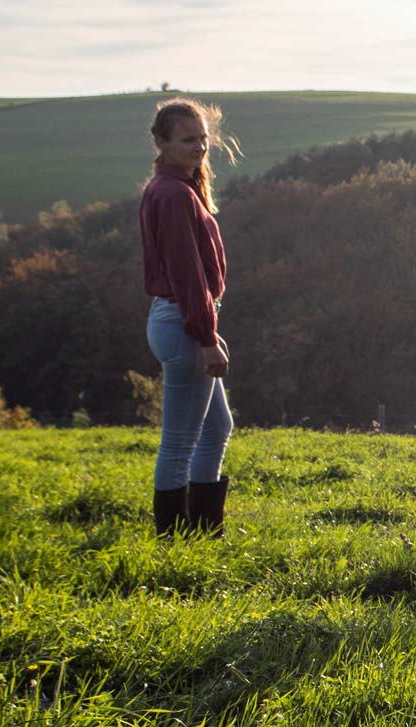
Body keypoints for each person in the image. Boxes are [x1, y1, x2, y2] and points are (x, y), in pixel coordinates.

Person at [142, 98, 238, 537]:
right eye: (188, 139)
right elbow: (187, 273)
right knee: (180, 440)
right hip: (183, 322)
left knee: (217, 425)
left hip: (183, 319)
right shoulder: (173, 195)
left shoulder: (177, 188)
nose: (200, 147)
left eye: (203, 138)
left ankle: (203, 532)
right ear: (162, 142)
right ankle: (174, 541)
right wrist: (205, 336)